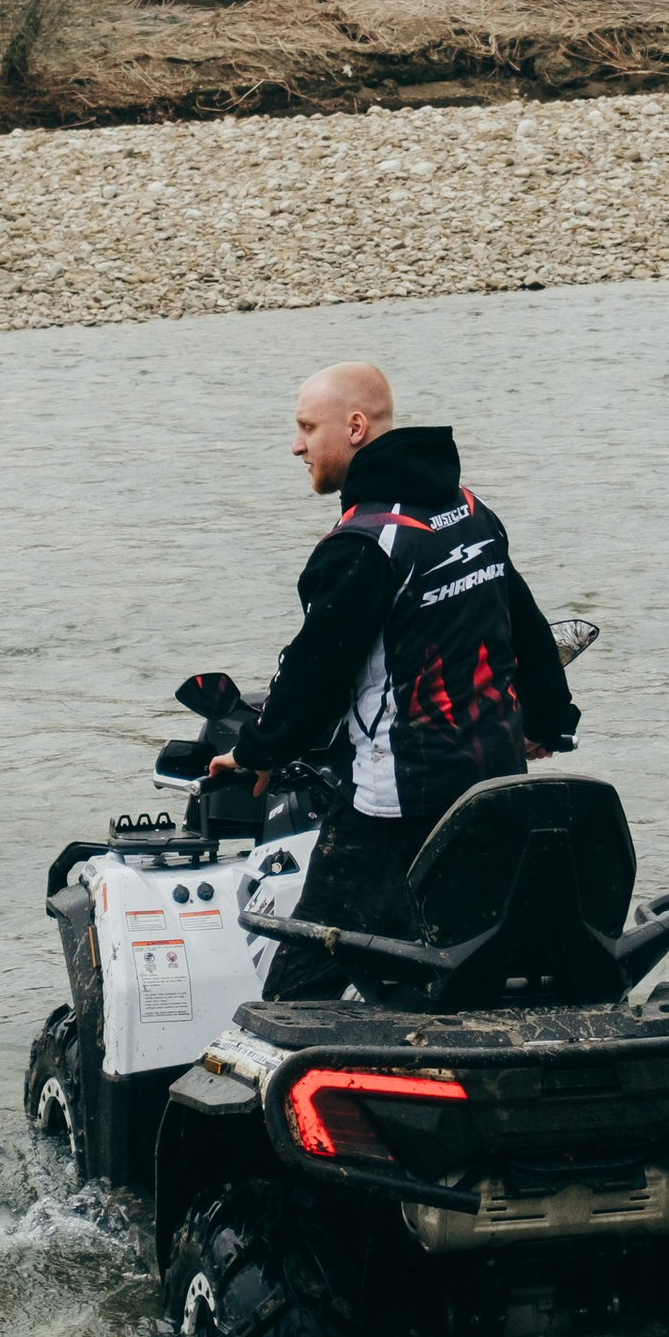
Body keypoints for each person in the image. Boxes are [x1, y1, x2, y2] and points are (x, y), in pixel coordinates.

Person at [217, 360, 579, 997]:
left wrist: (256, 753)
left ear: (355, 428)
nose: (296, 445)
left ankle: (278, 1089)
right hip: (494, 792)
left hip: (397, 807)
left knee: (298, 994)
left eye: (306, 428)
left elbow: (314, 674)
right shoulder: (468, 512)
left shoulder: (366, 544)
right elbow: (524, 623)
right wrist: (549, 720)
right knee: (472, 972)